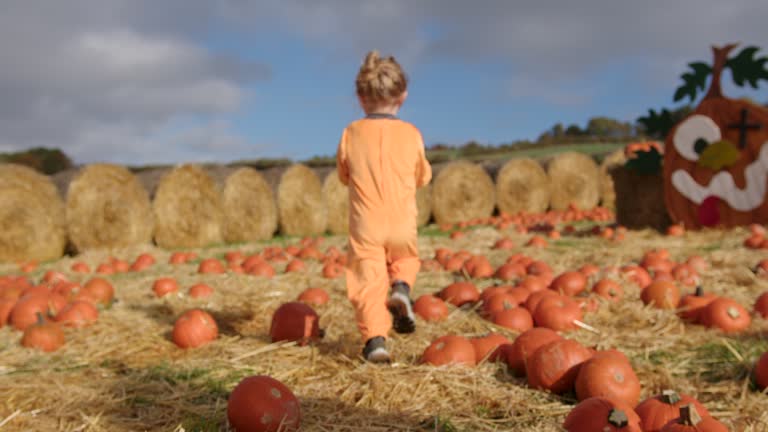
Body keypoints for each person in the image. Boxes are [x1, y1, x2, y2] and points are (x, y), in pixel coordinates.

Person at [336, 50, 432, 363]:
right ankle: (402, 288)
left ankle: (375, 341)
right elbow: (423, 175)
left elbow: (344, 174)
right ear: (402, 96)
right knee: (405, 258)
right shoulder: (412, 133)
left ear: (360, 97)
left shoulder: (351, 133)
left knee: (368, 282)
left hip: (367, 224)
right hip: (402, 222)